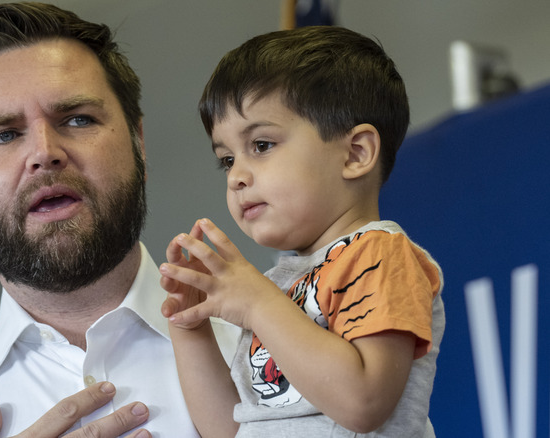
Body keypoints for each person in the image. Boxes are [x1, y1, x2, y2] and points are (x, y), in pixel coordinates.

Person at [0, 3, 239, 437]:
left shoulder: (283, 357)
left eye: (77, 118)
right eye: (4, 135)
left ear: (138, 144)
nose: (44, 152)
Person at [159, 26, 445, 437]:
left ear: (355, 153)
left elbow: (363, 404)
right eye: (226, 160)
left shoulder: (381, 254)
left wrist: (258, 303)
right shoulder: (277, 284)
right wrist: (190, 328)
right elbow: (231, 429)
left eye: (260, 145)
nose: (236, 176)